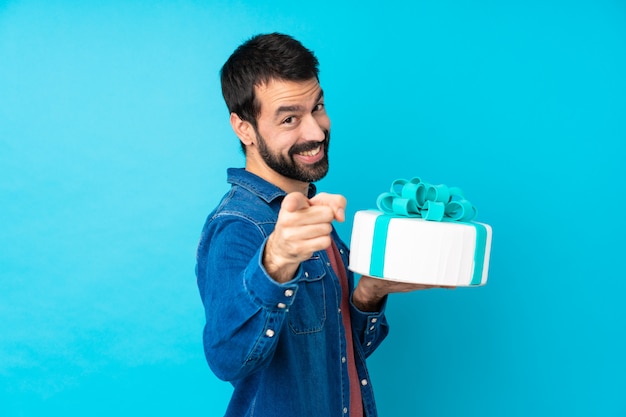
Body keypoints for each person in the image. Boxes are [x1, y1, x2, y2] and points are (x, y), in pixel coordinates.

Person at [196, 32, 438, 417]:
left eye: (318, 107)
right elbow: (227, 359)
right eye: (290, 118)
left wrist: (369, 294)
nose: (316, 132)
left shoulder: (311, 214)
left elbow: (337, 356)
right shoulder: (238, 226)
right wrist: (275, 261)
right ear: (244, 128)